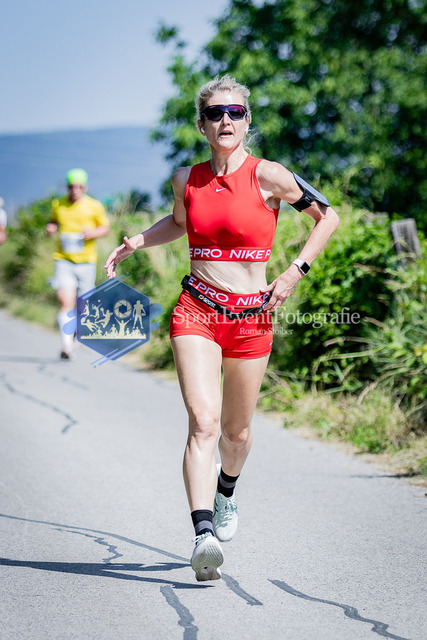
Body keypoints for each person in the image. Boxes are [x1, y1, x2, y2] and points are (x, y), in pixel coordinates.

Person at [104, 75, 339, 581]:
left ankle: (225, 492)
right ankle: (203, 534)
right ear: (202, 125)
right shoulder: (185, 179)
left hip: (252, 318)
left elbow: (328, 218)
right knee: (204, 423)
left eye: (235, 112)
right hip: (197, 310)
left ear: (247, 121)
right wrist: (138, 241)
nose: (225, 120)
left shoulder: (269, 175)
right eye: (215, 113)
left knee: (236, 433)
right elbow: (179, 223)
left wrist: (293, 273)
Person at [46, 168, 110, 359]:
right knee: (65, 301)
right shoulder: (58, 204)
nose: (75, 190)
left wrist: (92, 233)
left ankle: (76, 334)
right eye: (71, 187)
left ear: (85, 187)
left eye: (79, 187)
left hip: (86, 261)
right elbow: (53, 221)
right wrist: (51, 228)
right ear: (67, 187)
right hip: (63, 258)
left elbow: (105, 228)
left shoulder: (94, 206)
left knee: (84, 306)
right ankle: (66, 347)